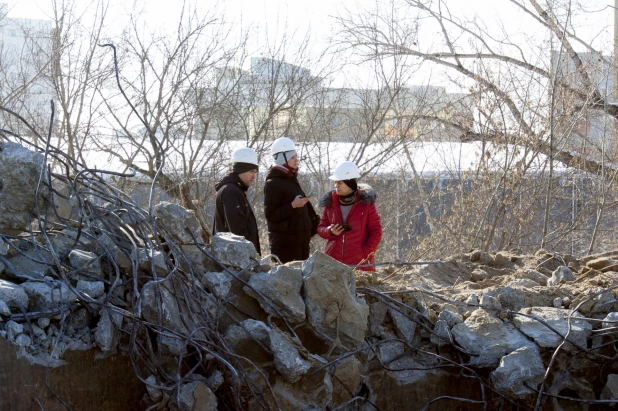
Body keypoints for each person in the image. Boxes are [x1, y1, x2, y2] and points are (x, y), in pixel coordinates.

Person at [317, 161, 382, 271]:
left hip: (360, 266)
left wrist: (365, 254)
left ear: (350, 183)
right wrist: (330, 231)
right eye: (335, 182)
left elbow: (376, 231)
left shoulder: (366, 204)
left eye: (340, 183)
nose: (336, 186)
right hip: (333, 264)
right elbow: (320, 228)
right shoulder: (330, 203)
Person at [264, 137, 319, 263]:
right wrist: (292, 205)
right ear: (283, 158)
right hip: (285, 248)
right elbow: (270, 215)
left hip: (300, 246)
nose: (297, 160)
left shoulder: (290, 179)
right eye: (293, 157)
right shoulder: (273, 183)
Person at [212, 147, 261, 254]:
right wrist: (251, 256)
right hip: (236, 260)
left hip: (235, 259)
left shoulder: (235, 190)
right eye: (251, 171)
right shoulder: (231, 192)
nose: (254, 176)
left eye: (255, 172)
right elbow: (238, 232)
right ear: (241, 170)